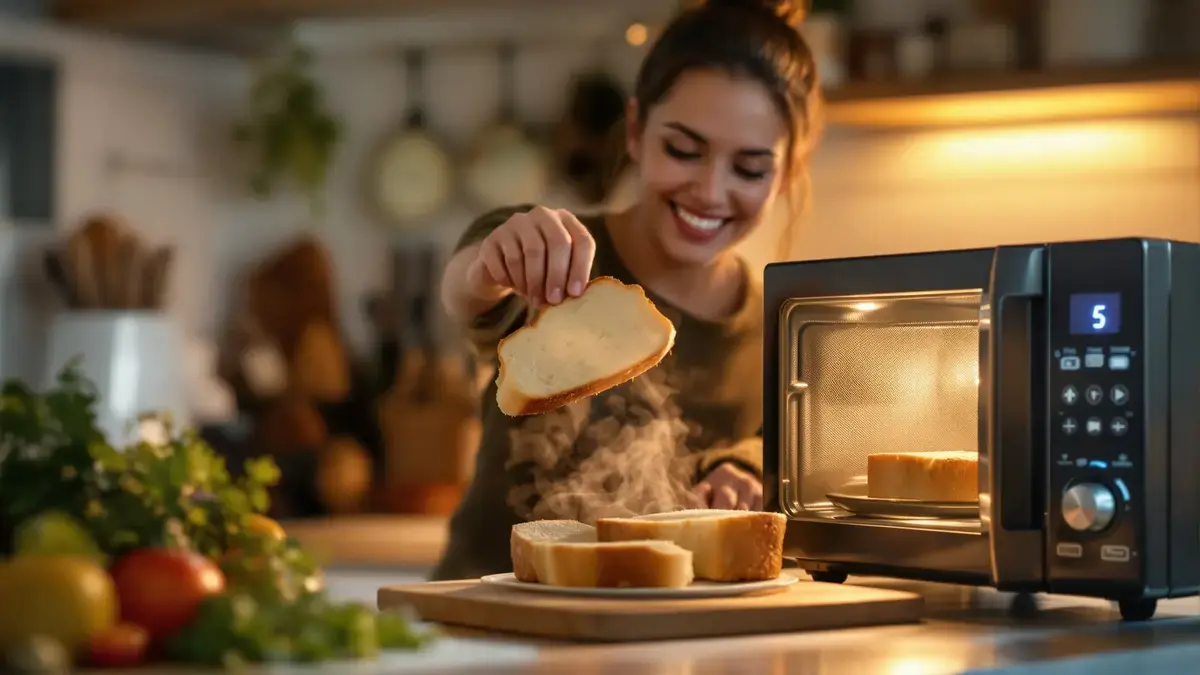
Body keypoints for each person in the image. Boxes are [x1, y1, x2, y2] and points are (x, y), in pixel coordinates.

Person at [430, 0, 823, 581]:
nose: (710, 191)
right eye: (683, 150)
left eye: (749, 169)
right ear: (636, 131)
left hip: (655, 628)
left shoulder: (782, 328)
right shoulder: (555, 255)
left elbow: (782, 453)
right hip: (485, 612)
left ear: (787, 172)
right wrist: (491, 264)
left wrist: (748, 469)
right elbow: (467, 288)